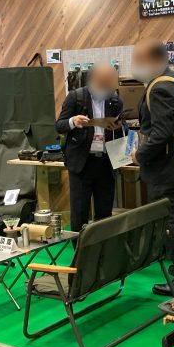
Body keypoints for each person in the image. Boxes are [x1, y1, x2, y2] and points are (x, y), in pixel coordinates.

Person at [130, 38, 174, 295]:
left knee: (173, 226)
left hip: (166, 171)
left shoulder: (159, 88)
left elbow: (160, 133)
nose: (135, 65)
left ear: (155, 60)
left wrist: (140, 155)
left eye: (139, 59)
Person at [56, 64, 124, 232]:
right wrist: (73, 121)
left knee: (104, 214)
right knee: (79, 213)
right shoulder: (75, 97)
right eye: (103, 82)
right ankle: (79, 247)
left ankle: (102, 246)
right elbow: (59, 125)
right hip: (82, 164)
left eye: (109, 83)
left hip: (106, 163)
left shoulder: (115, 100)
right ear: (93, 79)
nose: (106, 86)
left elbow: (124, 127)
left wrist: (119, 127)